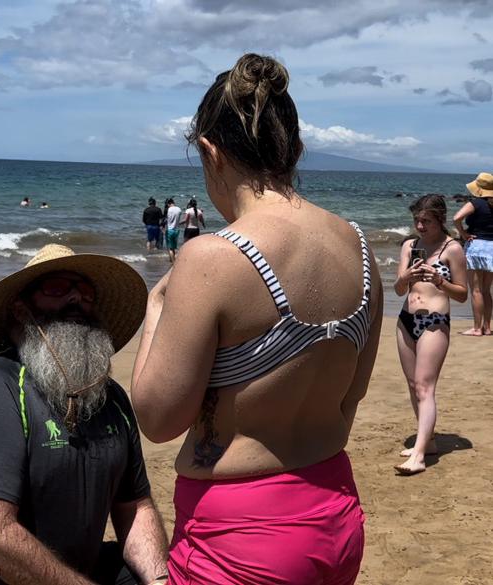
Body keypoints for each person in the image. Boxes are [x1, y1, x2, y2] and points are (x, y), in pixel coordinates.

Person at [131, 53, 383, 585]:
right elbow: (348, 398)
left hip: (242, 538)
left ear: (209, 151)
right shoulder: (360, 250)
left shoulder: (214, 257)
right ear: (295, 149)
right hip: (335, 513)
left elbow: (157, 420)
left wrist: (155, 310)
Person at [0, 244, 169, 585]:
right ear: (21, 310)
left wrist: (161, 581)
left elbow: (135, 507)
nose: (76, 299)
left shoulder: (112, 401)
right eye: (57, 288)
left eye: (86, 293)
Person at [394, 195, 467, 475]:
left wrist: (439, 281)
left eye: (426, 221)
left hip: (435, 322)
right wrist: (408, 276)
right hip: (405, 320)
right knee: (414, 385)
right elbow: (400, 289)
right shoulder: (410, 246)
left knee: (425, 387)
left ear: (440, 220)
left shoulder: (452, 249)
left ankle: (420, 455)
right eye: (417, 221)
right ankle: (430, 441)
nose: (420, 226)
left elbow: (461, 294)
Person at [453, 172, 493, 336]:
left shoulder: (476, 203)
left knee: (476, 290)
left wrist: (463, 234)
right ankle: (488, 327)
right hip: (492, 248)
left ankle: (477, 328)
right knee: (486, 290)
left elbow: (456, 218)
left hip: (477, 247)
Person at [164, 198, 181, 263]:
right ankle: (172, 260)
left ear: (168, 203)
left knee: (170, 248)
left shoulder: (168, 210)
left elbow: (166, 220)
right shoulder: (179, 209)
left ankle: (173, 263)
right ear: (173, 202)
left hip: (170, 230)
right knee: (173, 247)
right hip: (177, 230)